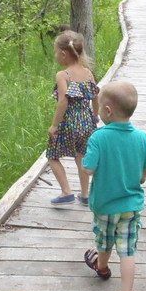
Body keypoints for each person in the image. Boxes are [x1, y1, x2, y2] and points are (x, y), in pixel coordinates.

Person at [81, 81, 146, 291]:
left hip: (104, 206)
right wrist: (140, 178)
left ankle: (102, 267)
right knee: (127, 250)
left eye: (100, 107)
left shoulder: (98, 137)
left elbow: (89, 168)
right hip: (131, 206)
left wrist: (87, 159)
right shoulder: (143, 138)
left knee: (104, 241)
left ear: (108, 111)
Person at [46, 30, 99, 206]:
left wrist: (54, 125)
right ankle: (85, 195)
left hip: (69, 122)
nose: (56, 55)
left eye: (56, 52)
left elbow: (63, 102)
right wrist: (95, 116)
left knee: (53, 155)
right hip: (87, 121)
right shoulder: (88, 73)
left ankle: (66, 192)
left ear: (63, 54)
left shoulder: (63, 75)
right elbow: (96, 96)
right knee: (81, 156)